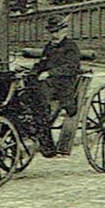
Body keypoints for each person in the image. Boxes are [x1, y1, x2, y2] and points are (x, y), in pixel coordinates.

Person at [28, 15, 82, 155]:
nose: (54, 35)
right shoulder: (50, 46)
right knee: (26, 86)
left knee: (40, 100)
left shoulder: (71, 46)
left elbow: (72, 68)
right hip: (50, 82)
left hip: (64, 84)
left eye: (57, 31)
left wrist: (51, 72)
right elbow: (42, 63)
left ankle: (47, 146)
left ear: (65, 30)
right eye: (52, 32)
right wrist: (32, 72)